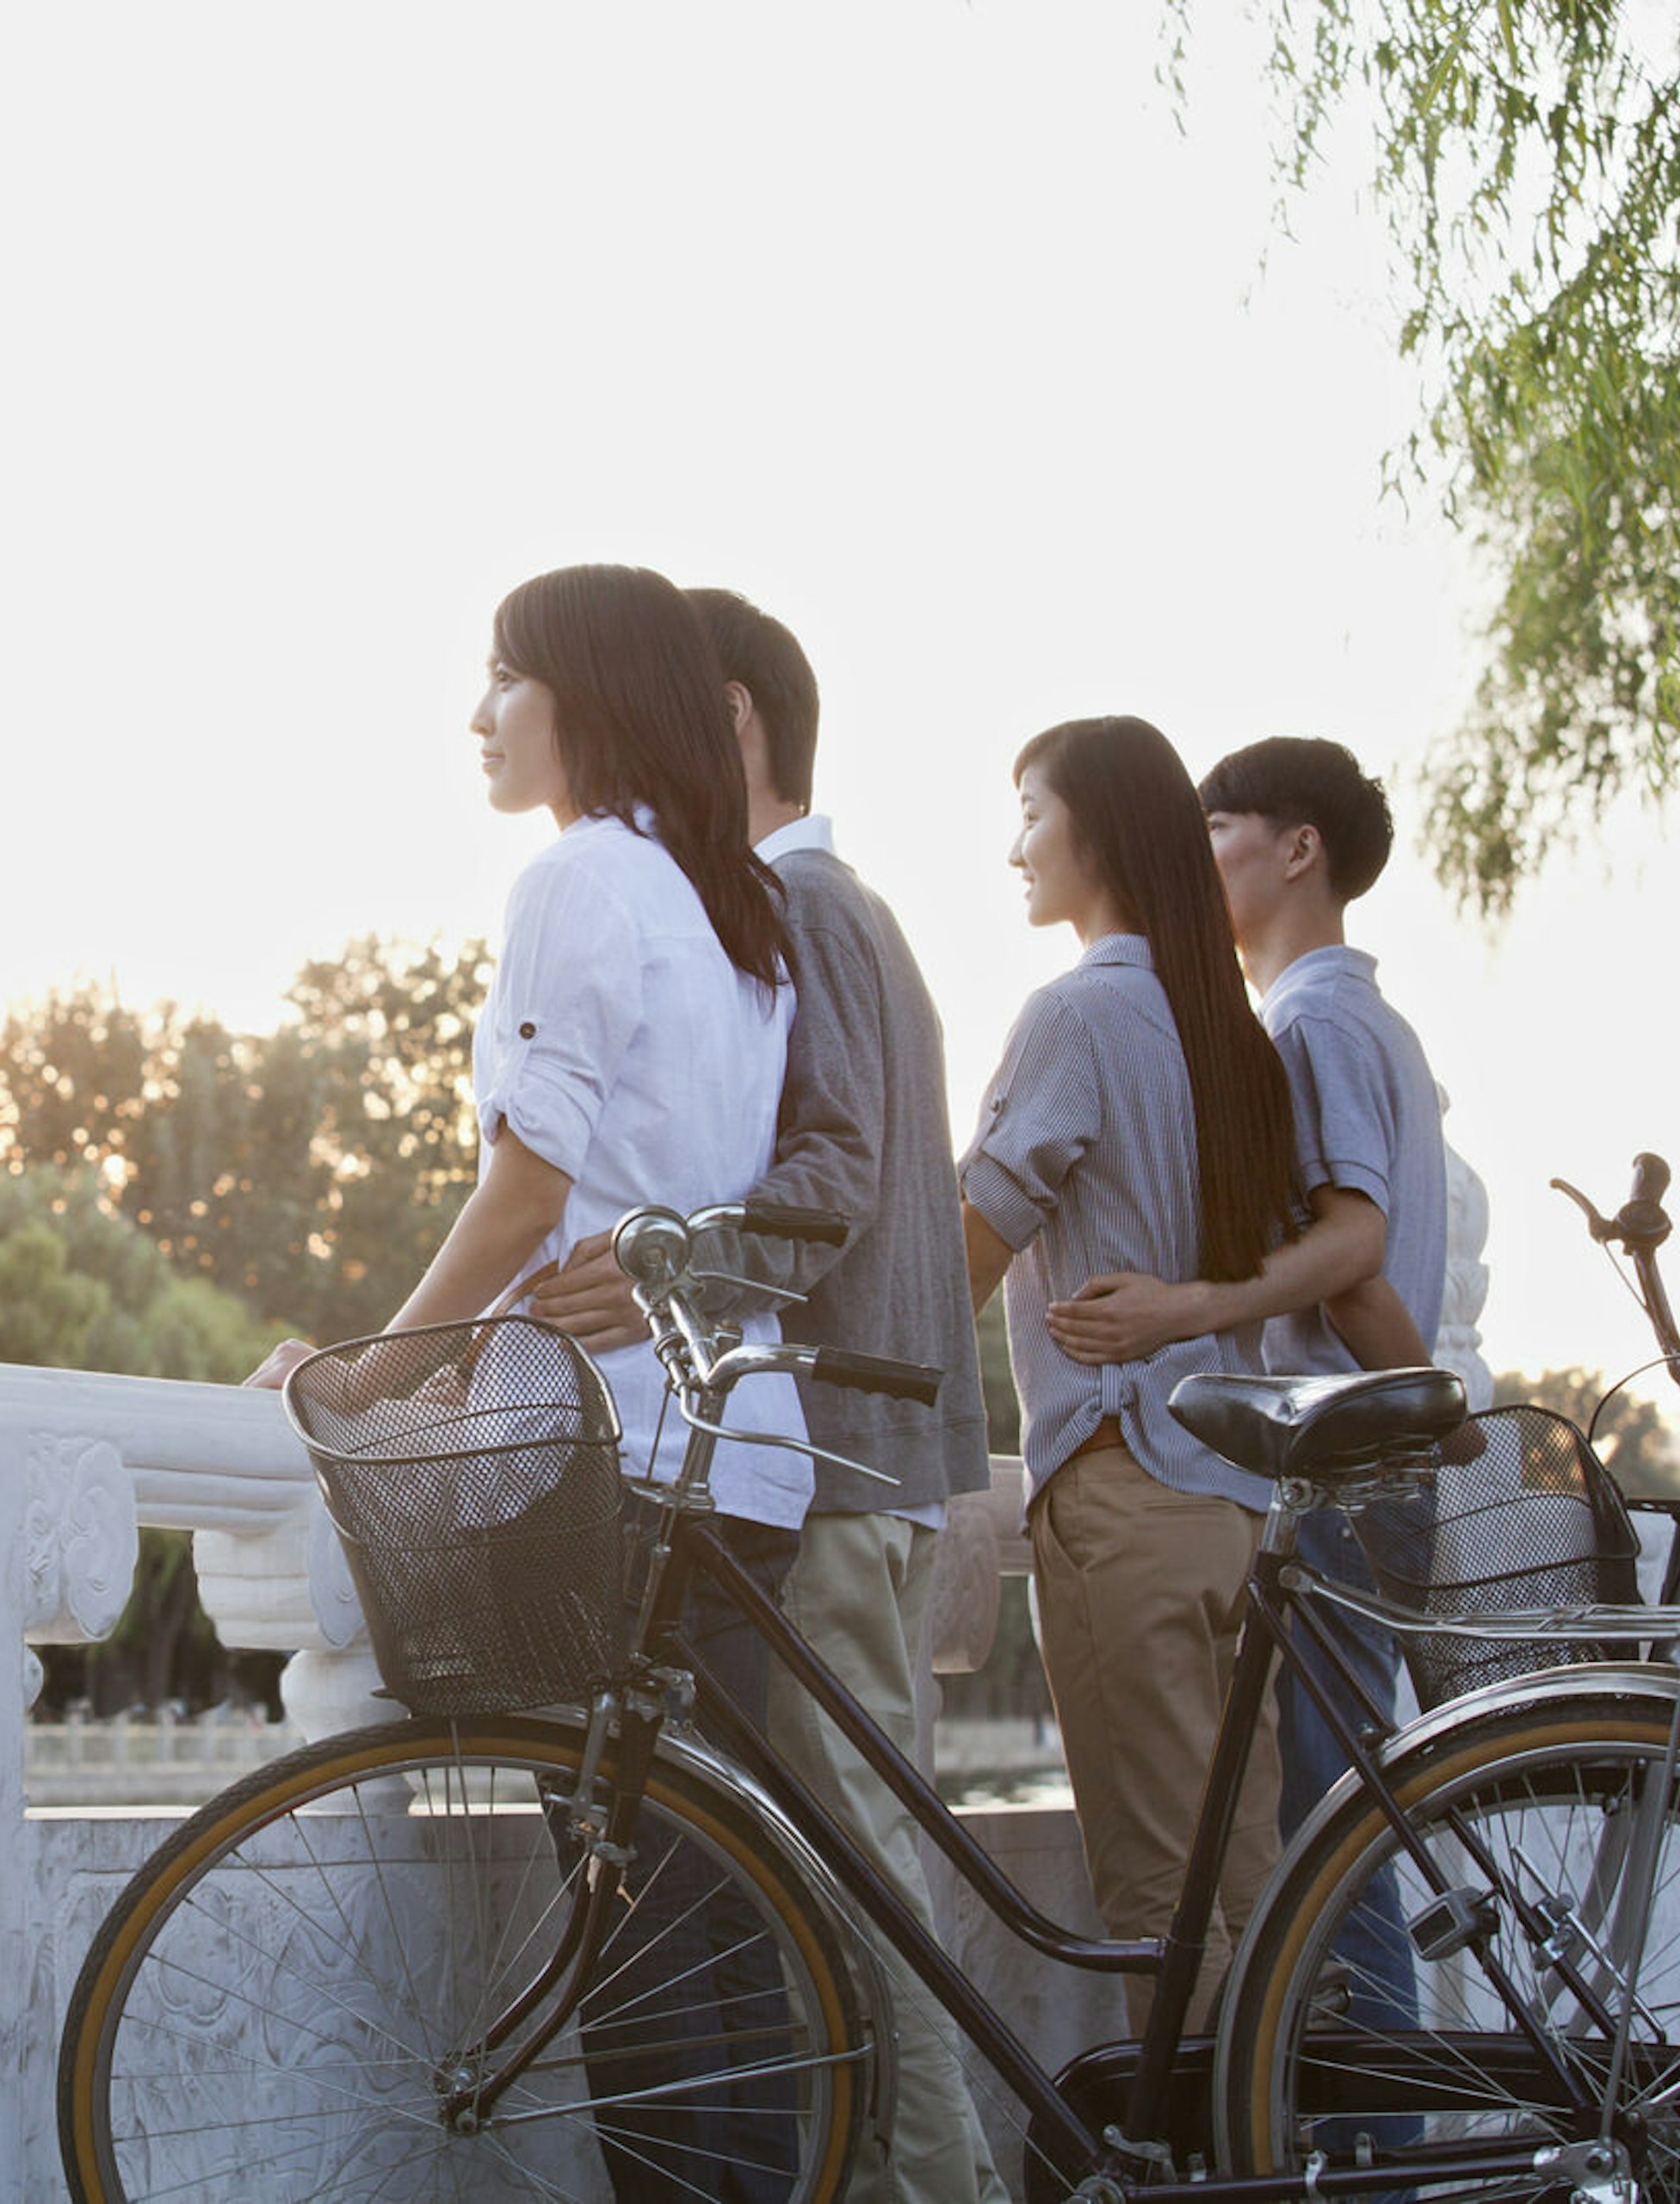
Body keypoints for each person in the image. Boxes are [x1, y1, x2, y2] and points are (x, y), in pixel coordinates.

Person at [250, 562, 807, 2198]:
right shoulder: (735, 914)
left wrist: (384, 1361)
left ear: (584, 694)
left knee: (634, 1942)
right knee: (721, 1930)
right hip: (747, 1448)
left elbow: (524, 1178)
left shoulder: (579, 879)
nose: (480, 716)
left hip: (617, 1461)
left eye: (503, 677)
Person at [536, 586, 1003, 2204]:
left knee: (874, 1915)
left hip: (842, 1473)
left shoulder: (803, 908)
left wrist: (673, 1259)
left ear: (727, 717)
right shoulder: (805, 913)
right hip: (866, 1467)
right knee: (823, 1906)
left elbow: (840, 1178)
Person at [1043, 734, 1443, 2045]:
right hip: (1370, 1467)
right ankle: (1344, 2141)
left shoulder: (1311, 1020)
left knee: (1325, 1850)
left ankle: (1372, 2157)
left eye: (1219, 827)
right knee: (1318, 1848)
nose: (1197, 854)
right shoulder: (1370, 1018)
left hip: (1330, 1466)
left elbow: (1353, 1251)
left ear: (1297, 848)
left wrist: (1192, 1308)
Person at [960, 714, 1297, 2028]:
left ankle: (1204, 2172)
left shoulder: (1078, 1013)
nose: (1015, 849)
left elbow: (963, 1256)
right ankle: (1281, 2155)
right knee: (1259, 1898)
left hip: (1118, 1486)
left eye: (1031, 814)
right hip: (1231, 1505)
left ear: (1093, 828)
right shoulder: (1231, 1030)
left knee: (1163, 1911)